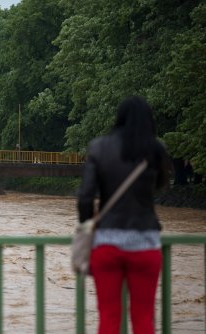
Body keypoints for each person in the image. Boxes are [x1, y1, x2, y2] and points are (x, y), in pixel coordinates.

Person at [77, 96, 170, 334]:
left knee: (108, 318)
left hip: (107, 243)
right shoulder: (156, 150)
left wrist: (88, 226)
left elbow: (85, 198)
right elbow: (159, 186)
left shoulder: (99, 147)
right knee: (143, 318)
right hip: (145, 242)